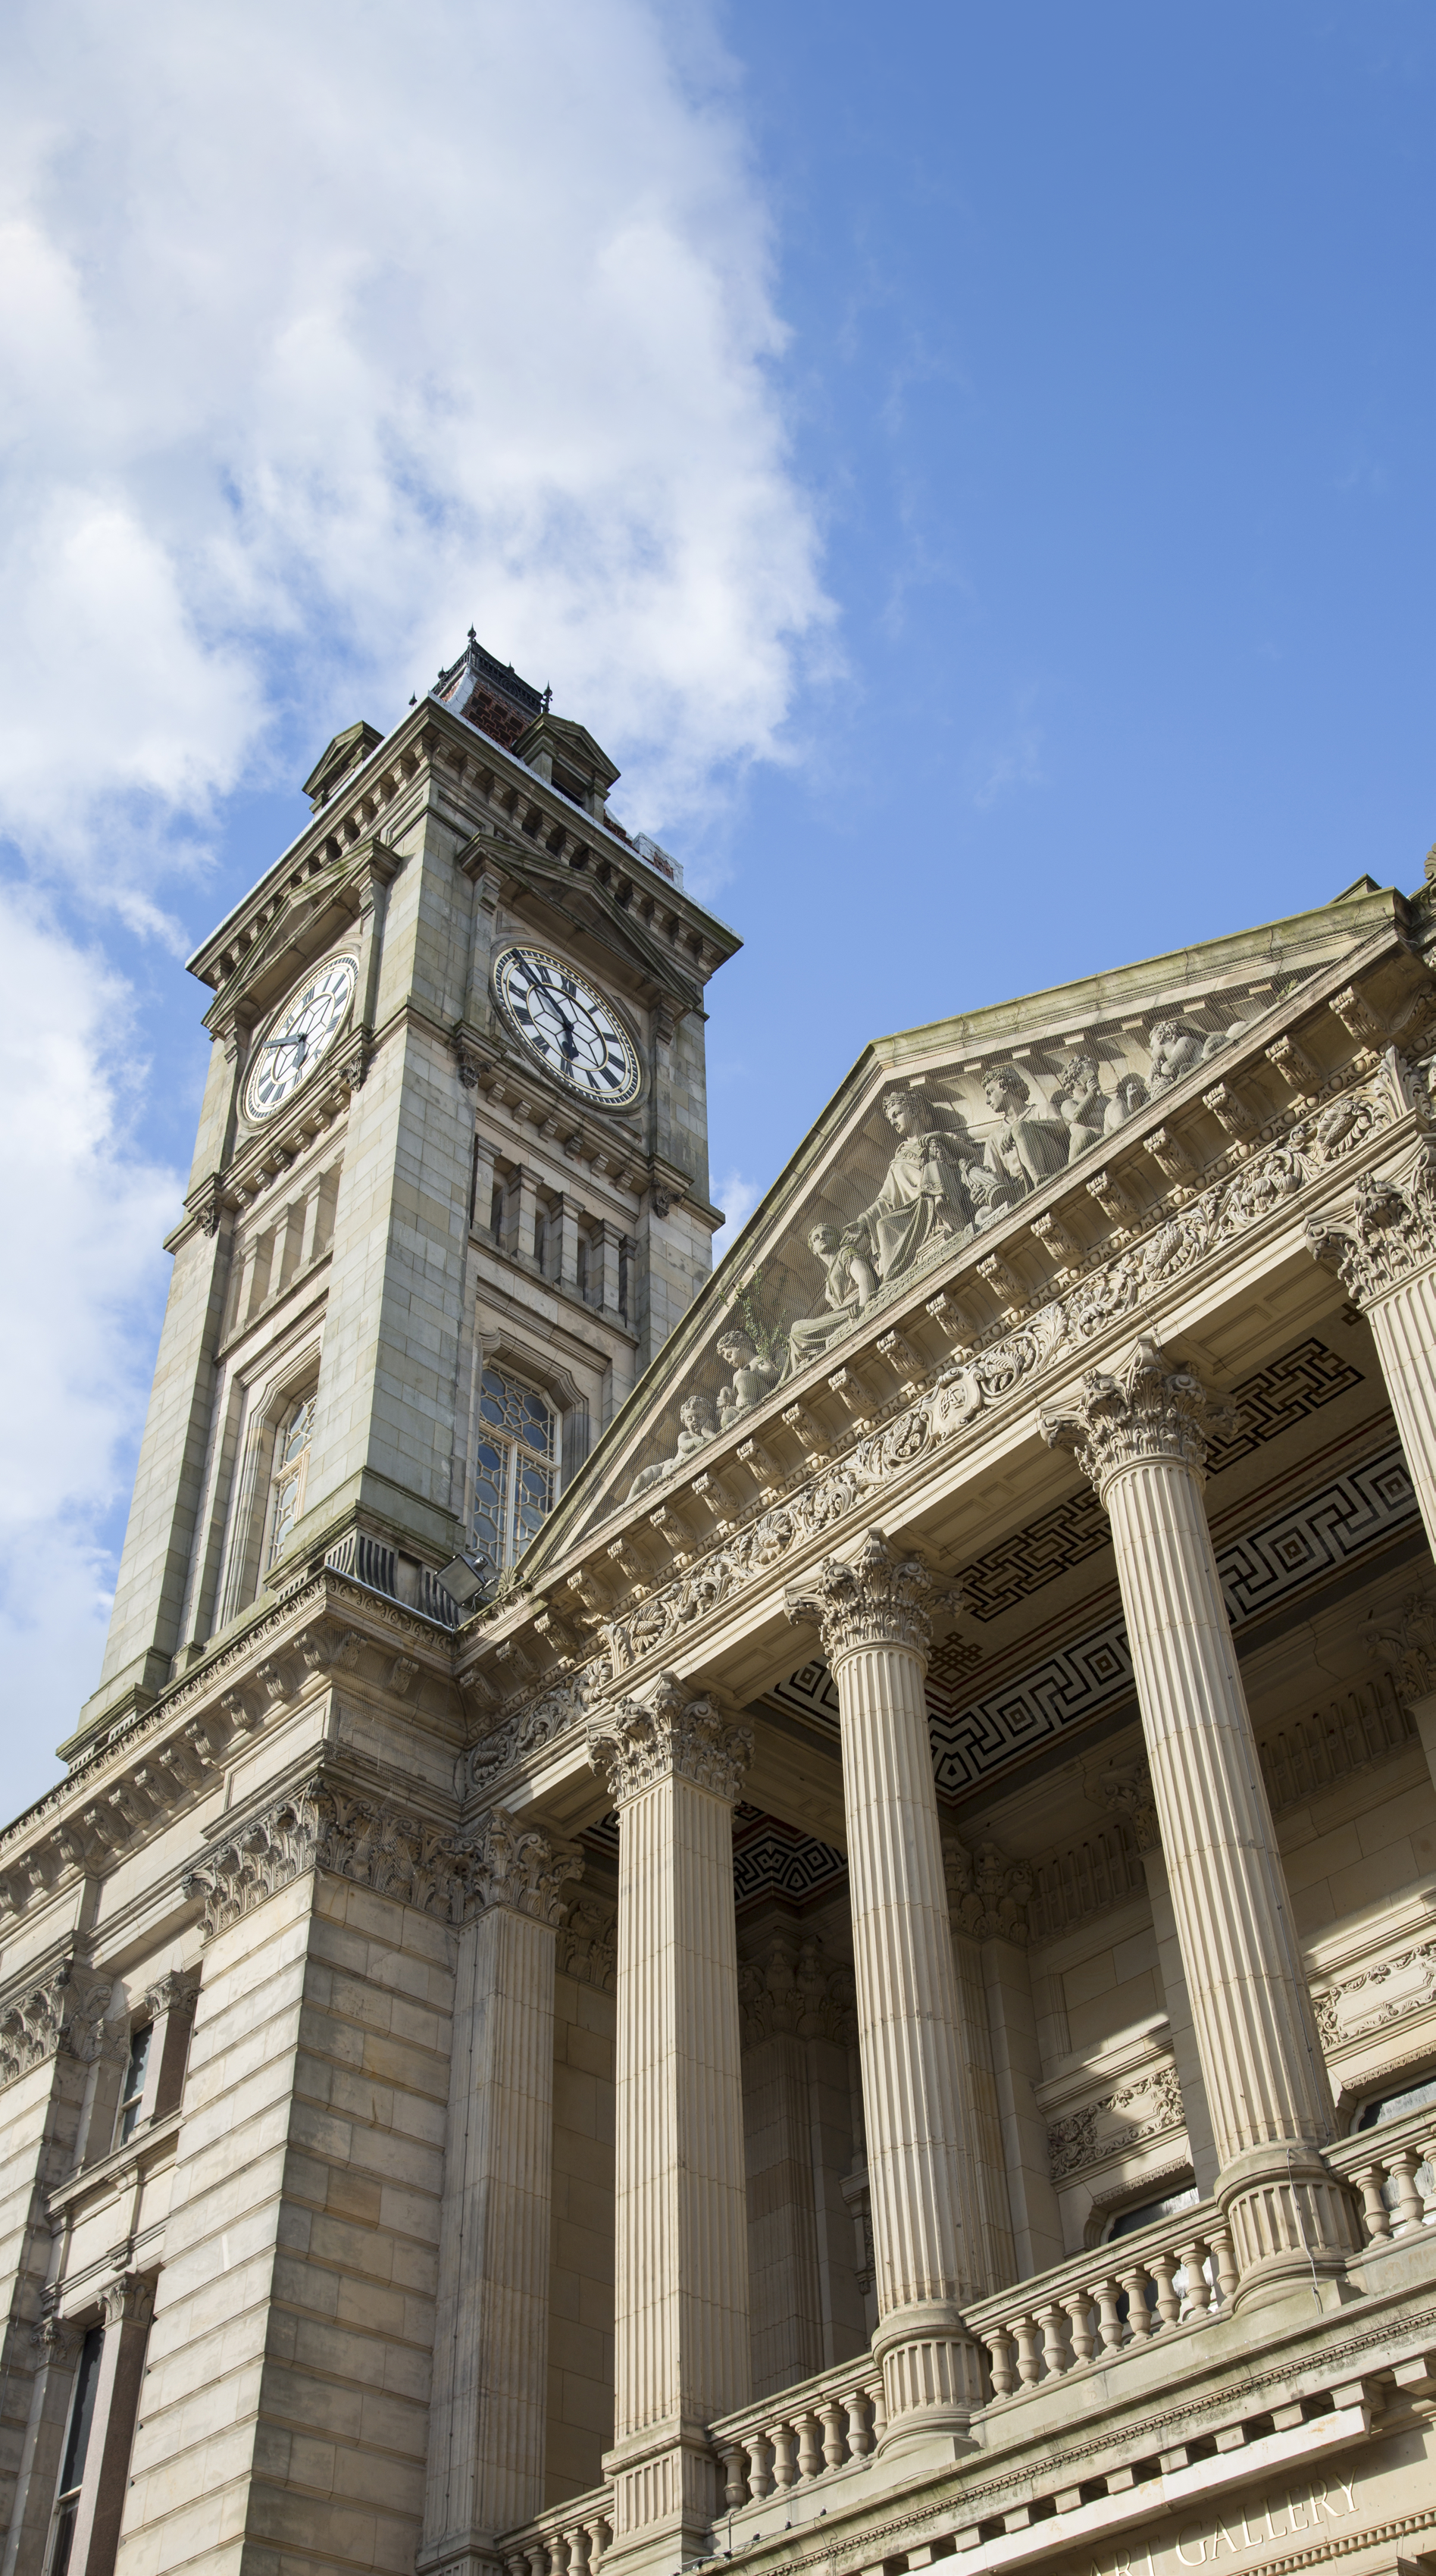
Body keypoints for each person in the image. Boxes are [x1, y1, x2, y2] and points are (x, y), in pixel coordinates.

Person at [843, 1086, 975, 1287]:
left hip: (946, 1193)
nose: (894, 1121)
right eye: (890, 1119)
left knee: (933, 1168)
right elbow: (884, 1201)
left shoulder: (939, 1138)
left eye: (897, 1114)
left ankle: (950, 1218)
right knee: (883, 1224)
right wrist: (862, 1222)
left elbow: (974, 1155)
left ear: (913, 1110)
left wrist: (941, 1138)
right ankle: (892, 1279)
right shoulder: (897, 1162)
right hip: (917, 1209)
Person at [786, 1224, 878, 1373]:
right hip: (842, 1313)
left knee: (797, 1332)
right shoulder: (828, 1280)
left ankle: (799, 1374)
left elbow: (863, 1276)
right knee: (797, 1328)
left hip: (854, 1307)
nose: (822, 1238)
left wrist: (864, 1306)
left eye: (826, 1234)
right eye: (816, 1238)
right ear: (814, 1249)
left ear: (837, 1238)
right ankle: (798, 1374)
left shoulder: (845, 1253)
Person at [981, 1063, 1070, 1198]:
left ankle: (1039, 1180)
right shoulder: (994, 1138)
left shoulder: (1042, 1109)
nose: (987, 1101)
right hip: (1021, 1191)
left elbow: (1061, 1126)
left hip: (1053, 1169)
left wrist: (1022, 1127)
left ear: (1003, 1087)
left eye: (990, 1092)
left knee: (1020, 1128)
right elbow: (993, 1177)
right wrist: (983, 1189)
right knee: (982, 1214)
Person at [626, 1391, 718, 1500]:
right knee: (641, 1480)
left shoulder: (706, 1432)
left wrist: (706, 1430)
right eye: (690, 1418)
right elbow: (684, 1446)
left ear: (707, 1417)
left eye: (699, 1416)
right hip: (663, 1470)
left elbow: (717, 1442)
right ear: (685, 1421)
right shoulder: (686, 1435)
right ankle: (627, 1503)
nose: (694, 1421)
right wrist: (696, 1440)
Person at [716, 1327, 783, 1432]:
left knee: (744, 1377)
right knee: (727, 1415)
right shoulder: (736, 1375)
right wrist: (727, 1394)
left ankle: (748, 1411)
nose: (729, 1361)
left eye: (730, 1355)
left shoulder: (757, 1360)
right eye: (727, 1359)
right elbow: (738, 1395)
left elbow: (772, 1373)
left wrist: (751, 1374)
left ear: (738, 1346)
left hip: (760, 1397)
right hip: (741, 1409)